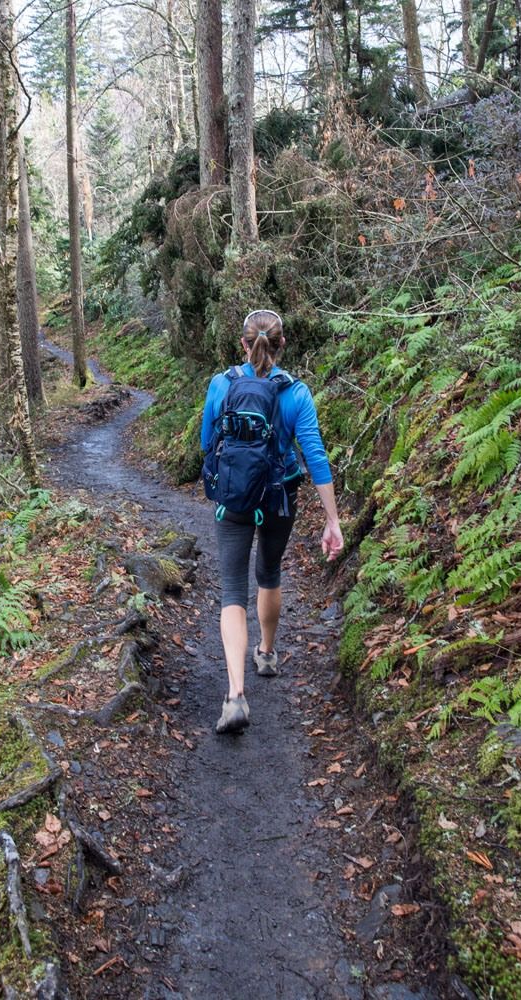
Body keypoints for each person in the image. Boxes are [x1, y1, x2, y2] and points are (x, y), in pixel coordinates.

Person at [200, 309, 344, 734]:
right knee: (268, 572)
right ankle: (265, 652)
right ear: (283, 344)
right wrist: (331, 519)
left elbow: (208, 442)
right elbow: (314, 456)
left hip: (233, 498)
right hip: (279, 497)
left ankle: (235, 695)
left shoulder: (221, 384)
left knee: (231, 590)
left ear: (242, 344)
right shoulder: (296, 392)